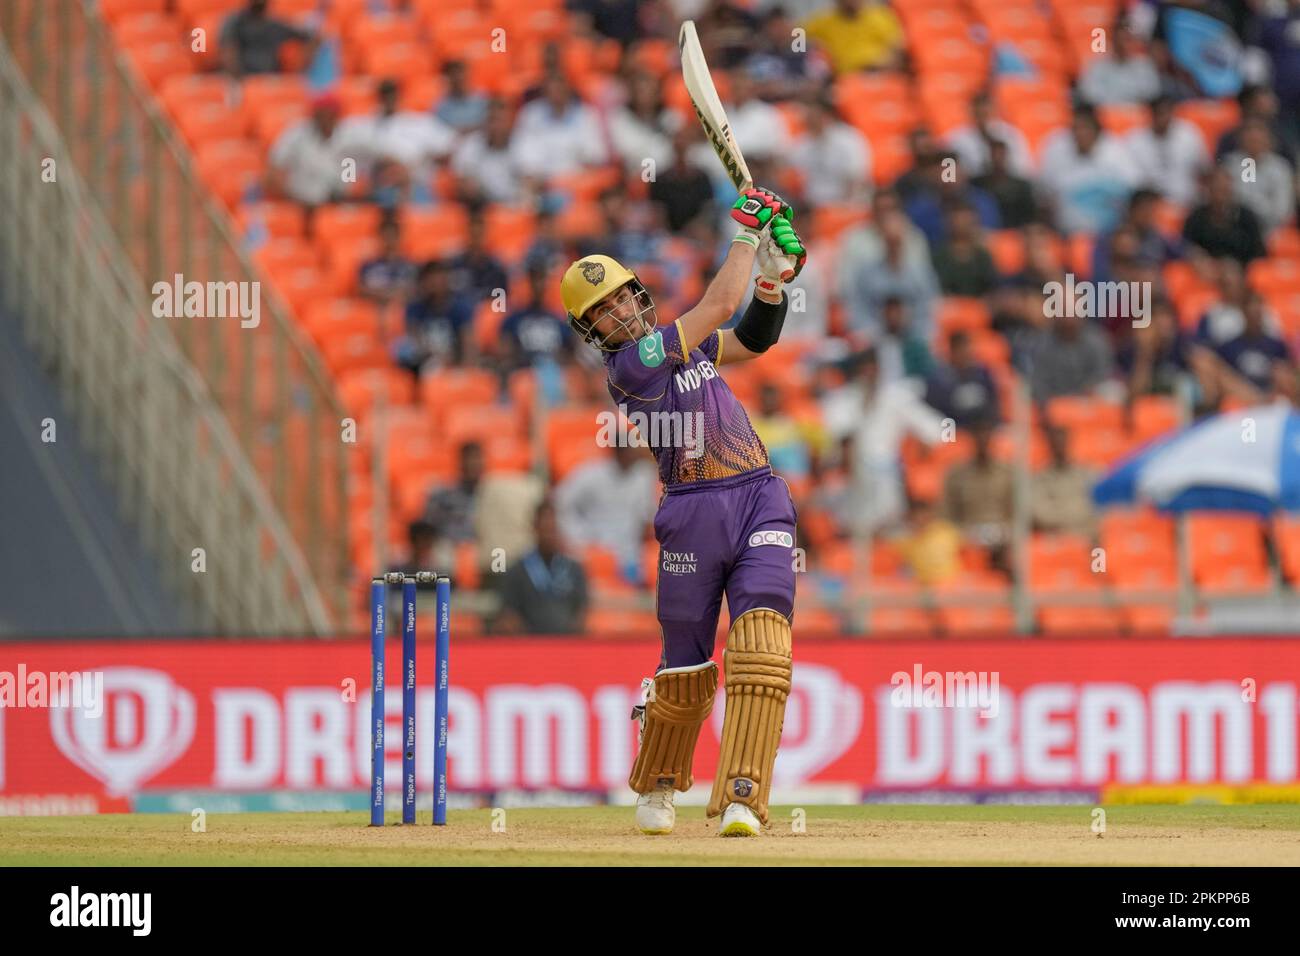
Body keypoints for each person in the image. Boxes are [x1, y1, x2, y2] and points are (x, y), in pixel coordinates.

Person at [558, 185, 808, 837]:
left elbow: (750, 340)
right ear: (593, 332)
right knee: (689, 672)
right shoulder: (633, 365)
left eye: (621, 295)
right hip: (694, 515)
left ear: (637, 292)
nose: (619, 310)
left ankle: (744, 797)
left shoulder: (682, 346)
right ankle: (661, 779)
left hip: (758, 494)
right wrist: (750, 236)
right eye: (603, 310)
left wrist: (774, 284)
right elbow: (721, 301)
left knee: (762, 645)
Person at [490, 500, 589, 634]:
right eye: (544, 529)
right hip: (530, 645)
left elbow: (582, 610)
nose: (549, 535)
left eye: (552, 529)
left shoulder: (574, 569)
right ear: (534, 528)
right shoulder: (517, 571)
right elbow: (509, 613)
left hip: (566, 644)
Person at [554, 443, 658, 571]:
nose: (633, 455)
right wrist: (578, 534)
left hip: (631, 553)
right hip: (596, 547)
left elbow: (648, 514)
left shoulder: (644, 475)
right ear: (617, 452)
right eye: (629, 451)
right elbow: (560, 501)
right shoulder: (591, 473)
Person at [941, 419, 1013, 573]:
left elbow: (1017, 511)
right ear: (972, 439)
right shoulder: (957, 474)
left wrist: (1006, 531)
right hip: (967, 533)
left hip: (1002, 535)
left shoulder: (1008, 473)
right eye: (978, 436)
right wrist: (961, 533)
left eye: (986, 436)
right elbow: (947, 513)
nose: (982, 440)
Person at [265, 92, 353, 208]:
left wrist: (347, 189)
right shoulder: (297, 135)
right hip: (300, 202)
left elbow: (350, 174)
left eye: (330, 114)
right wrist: (288, 196)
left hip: (336, 202)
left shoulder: (347, 137)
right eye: (322, 114)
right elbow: (274, 167)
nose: (326, 119)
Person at [1182, 167, 1268, 265]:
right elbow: (1184, 246)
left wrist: (1239, 267)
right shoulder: (1196, 217)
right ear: (1208, 191)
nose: (1220, 197)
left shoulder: (1246, 218)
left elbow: (1259, 255)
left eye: (1224, 191)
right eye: (1216, 190)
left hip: (1239, 270)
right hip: (1205, 271)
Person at [1031, 425, 1097, 538]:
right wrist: (1072, 520)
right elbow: (1040, 513)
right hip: (1055, 536)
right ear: (1049, 445)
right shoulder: (1039, 478)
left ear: (1068, 443)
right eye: (1055, 443)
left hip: (1086, 535)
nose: (1059, 446)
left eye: (1062, 442)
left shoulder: (1087, 473)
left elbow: (1098, 505)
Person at [220, 0, 317, 78]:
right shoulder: (235, 23)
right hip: (244, 79)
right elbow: (228, 51)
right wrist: (237, 79)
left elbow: (310, 38)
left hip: (271, 80)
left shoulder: (275, 25)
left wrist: (302, 71)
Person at [804, 0, 904, 75]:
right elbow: (796, 35)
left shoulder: (880, 16)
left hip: (882, 73)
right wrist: (817, 52)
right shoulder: (823, 21)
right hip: (845, 78)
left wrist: (886, 64)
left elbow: (898, 49)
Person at [358, 213, 417, 306]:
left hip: (402, 309)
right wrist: (384, 295)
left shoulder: (409, 265)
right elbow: (361, 290)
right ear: (379, 238)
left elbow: (415, 289)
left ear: (399, 237)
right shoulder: (368, 265)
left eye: (392, 236)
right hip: (376, 308)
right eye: (386, 236)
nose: (389, 240)